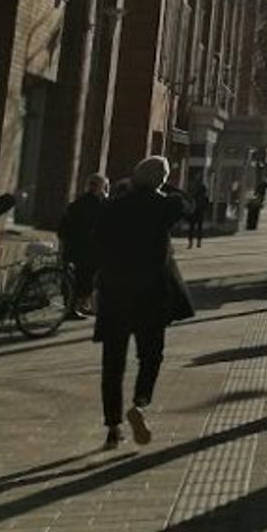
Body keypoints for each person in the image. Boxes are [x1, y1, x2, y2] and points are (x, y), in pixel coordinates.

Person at [94, 156, 191, 450]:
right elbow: (185, 203)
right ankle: (140, 400)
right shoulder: (164, 206)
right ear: (161, 180)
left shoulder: (113, 207)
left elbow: (97, 243)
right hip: (151, 295)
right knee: (151, 354)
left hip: (115, 293)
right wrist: (162, 187)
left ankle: (112, 426)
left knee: (113, 363)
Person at [59, 176, 109, 318]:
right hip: (89, 249)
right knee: (85, 278)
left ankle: (72, 306)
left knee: (71, 277)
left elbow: (63, 227)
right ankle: (76, 307)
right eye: (104, 187)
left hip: (72, 246)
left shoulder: (76, 203)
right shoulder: (99, 204)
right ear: (100, 188)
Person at [184, 176, 207, 250]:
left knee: (192, 228)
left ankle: (191, 243)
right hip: (200, 214)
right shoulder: (204, 198)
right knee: (199, 228)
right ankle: (198, 242)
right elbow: (206, 206)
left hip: (194, 213)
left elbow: (191, 204)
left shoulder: (194, 196)